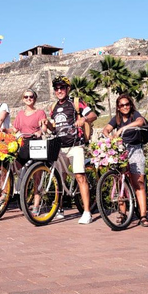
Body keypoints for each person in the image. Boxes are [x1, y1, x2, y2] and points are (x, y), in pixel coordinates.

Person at [43, 75, 97, 223]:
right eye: (56, 88)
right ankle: (59, 209)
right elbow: (55, 128)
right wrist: (47, 124)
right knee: (59, 179)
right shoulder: (53, 107)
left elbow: (93, 115)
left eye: (62, 88)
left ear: (68, 89)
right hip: (60, 147)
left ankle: (87, 212)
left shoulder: (76, 103)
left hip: (75, 145)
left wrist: (84, 119)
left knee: (80, 177)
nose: (59, 90)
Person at [102, 94, 148, 227]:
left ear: (131, 105)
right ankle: (123, 213)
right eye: (122, 105)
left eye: (127, 104)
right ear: (118, 107)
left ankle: (143, 216)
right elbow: (105, 129)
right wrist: (109, 137)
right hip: (121, 150)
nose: (125, 107)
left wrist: (123, 128)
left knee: (138, 182)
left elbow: (141, 121)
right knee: (119, 182)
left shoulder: (134, 115)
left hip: (135, 149)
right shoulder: (116, 118)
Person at [11, 89, 47, 165]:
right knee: (17, 166)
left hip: (36, 143)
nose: (28, 98)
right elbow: (14, 129)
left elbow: (44, 128)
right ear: (23, 99)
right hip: (24, 143)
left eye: (31, 96)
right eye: (26, 97)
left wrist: (40, 132)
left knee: (37, 172)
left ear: (35, 98)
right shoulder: (20, 114)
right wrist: (3, 130)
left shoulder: (40, 112)